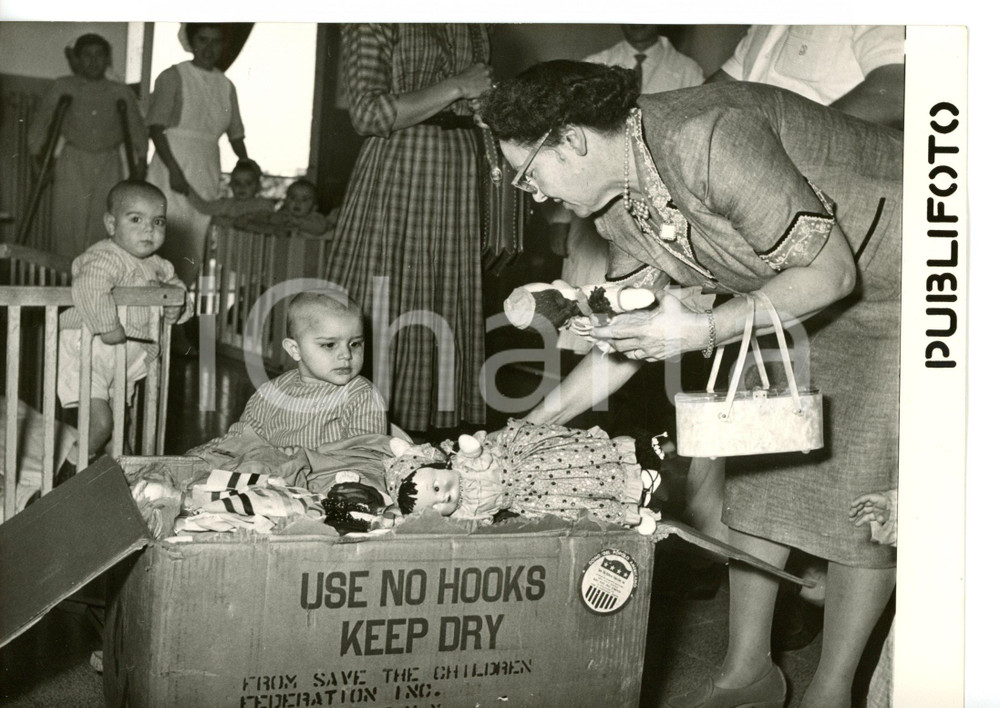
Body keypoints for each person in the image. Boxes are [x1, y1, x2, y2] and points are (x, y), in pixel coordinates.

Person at [480, 61, 900, 707]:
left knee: (861, 500)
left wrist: (705, 330)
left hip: (899, 285)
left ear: (572, 140)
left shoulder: (709, 137)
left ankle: (832, 690)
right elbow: (626, 342)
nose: (532, 196)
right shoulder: (617, 205)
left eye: (529, 174)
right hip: (789, 295)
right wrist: (526, 432)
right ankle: (747, 673)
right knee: (758, 468)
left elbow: (832, 275)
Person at [326, 24, 493, 434]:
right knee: (383, 300)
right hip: (402, 166)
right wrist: (457, 86)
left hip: (459, 168)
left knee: (442, 303)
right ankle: (352, 428)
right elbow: (367, 113)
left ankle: (421, 441)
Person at [57, 181, 190, 470]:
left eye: (158, 221)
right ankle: (66, 475)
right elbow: (89, 286)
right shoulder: (106, 256)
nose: (149, 229)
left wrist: (176, 307)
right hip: (89, 350)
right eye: (136, 219)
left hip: (123, 359)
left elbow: (178, 291)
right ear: (111, 224)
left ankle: (122, 474)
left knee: (120, 425)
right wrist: (107, 325)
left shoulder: (160, 266)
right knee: (101, 423)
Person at [190, 291, 387, 454]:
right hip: (271, 480)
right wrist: (210, 452)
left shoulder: (362, 395)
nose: (346, 355)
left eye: (355, 344)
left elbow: (365, 456)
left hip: (332, 484)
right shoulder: (270, 393)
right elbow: (240, 438)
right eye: (329, 345)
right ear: (295, 349)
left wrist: (306, 458)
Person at [385, 418, 665, 532]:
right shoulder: (463, 512)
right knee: (575, 504)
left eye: (436, 488)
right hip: (529, 500)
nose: (443, 498)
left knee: (577, 466)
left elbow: (476, 450)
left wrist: (472, 449)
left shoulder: (462, 463)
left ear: (438, 466)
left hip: (528, 466)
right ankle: (634, 513)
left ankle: (635, 474)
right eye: (434, 506)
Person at [146, 23, 250, 290]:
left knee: (194, 241)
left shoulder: (226, 85)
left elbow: (236, 135)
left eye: (215, 41)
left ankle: (180, 303)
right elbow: (156, 128)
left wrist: (246, 163)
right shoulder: (173, 76)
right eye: (203, 40)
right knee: (165, 235)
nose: (209, 47)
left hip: (206, 167)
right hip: (172, 163)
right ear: (191, 42)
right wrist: (174, 170)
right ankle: (153, 303)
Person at [28, 33, 147, 258]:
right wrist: (35, 156)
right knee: (68, 219)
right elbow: (41, 123)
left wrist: (141, 160)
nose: (93, 61)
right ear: (77, 59)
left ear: (107, 59)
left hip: (108, 162)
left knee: (104, 220)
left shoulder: (119, 91)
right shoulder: (63, 86)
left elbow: (136, 128)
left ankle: (98, 272)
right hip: (73, 159)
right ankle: (66, 273)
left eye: (99, 55)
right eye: (87, 55)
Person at [708, 25, 905, 129]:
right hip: (750, 155)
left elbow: (896, 92)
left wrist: (786, 142)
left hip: (820, 168)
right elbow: (719, 88)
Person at [186, 158, 277, 221]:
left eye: (248, 183)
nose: (242, 187)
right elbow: (204, 207)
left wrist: (250, 218)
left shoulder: (263, 205)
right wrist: (186, 189)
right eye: (237, 183)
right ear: (231, 185)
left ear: (258, 186)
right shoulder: (225, 205)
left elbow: (267, 217)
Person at [234, 178, 330, 236]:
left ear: (314, 207)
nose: (297, 202)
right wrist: (250, 219)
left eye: (304, 200)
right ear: (286, 202)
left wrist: (298, 222)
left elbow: (320, 229)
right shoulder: (282, 215)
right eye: (292, 197)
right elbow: (266, 220)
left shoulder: (315, 218)